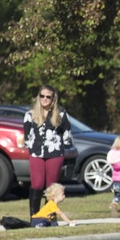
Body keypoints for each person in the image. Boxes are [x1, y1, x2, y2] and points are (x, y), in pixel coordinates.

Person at [23, 85, 74, 220]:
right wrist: (29, 147)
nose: (45, 99)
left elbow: (67, 133)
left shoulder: (61, 114)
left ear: (53, 98)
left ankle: (50, 216)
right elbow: (27, 134)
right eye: (42, 96)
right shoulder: (30, 114)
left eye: (48, 96)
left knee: (51, 187)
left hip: (55, 153)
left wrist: (66, 147)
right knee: (37, 184)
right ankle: (34, 217)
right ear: (38, 97)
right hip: (36, 152)